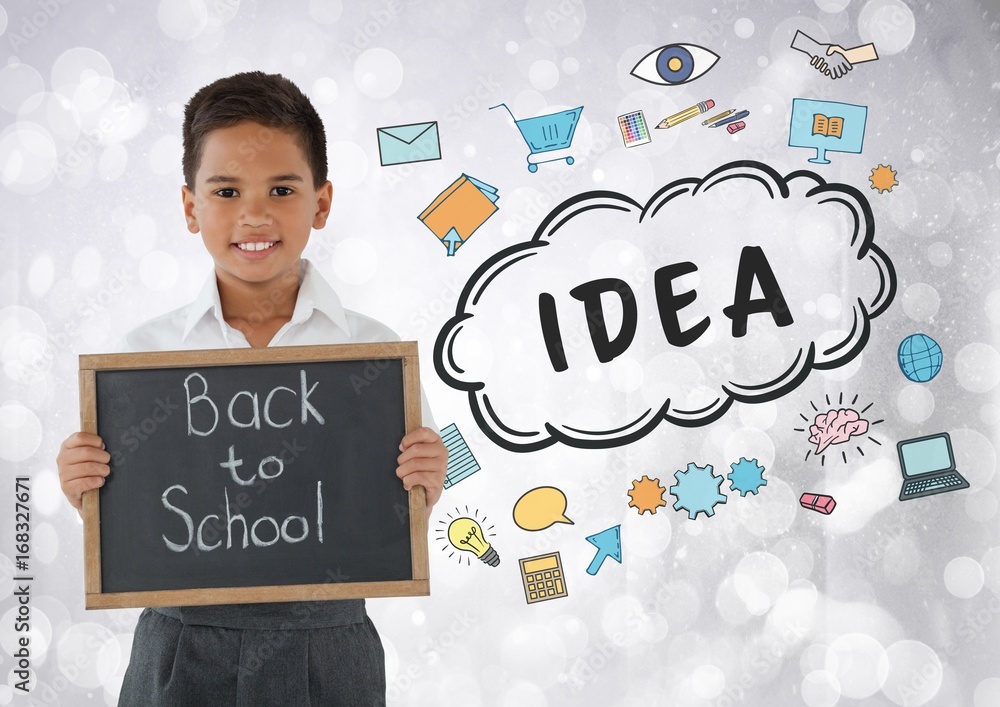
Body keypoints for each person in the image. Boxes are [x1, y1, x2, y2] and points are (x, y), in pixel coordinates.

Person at [56, 71, 448, 706]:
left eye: (282, 188)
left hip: (330, 644)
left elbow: (397, 510)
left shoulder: (372, 354)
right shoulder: (141, 359)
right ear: (191, 208)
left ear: (321, 203)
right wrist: (86, 488)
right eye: (227, 190)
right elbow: (129, 518)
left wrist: (427, 479)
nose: (255, 213)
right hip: (181, 646)